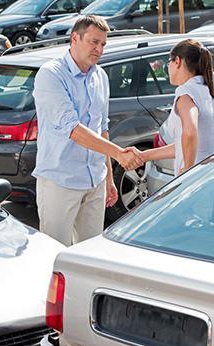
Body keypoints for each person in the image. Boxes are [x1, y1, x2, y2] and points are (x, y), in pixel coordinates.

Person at [32, 15, 143, 246]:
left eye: (103, 44)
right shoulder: (51, 74)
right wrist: (119, 154)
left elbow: (102, 128)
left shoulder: (100, 76)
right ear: (75, 38)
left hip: (95, 181)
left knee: (88, 254)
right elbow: (73, 129)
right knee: (54, 253)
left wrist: (109, 179)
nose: (99, 49)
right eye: (94, 42)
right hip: (60, 181)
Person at [140, 39, 214, 176]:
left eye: (168, 62)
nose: (168, 67)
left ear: (177, 61)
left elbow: (190, 132)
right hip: (210, 175)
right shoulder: (208, 92)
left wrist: (188, 170)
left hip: (194, 180)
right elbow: (183, 145)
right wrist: (144, 156)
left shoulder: (185, 93)